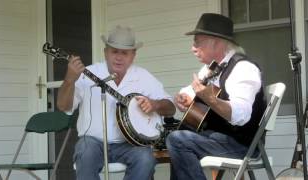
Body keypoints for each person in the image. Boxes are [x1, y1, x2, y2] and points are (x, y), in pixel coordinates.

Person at [57, 25, 176, 180]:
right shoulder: (88, 73)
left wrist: (155, 104)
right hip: (93, 142)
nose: (119, 57)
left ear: (133, 55)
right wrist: (69, 80)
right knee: (85, 151)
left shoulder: (143, 76)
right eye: (114, 51)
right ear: (105, 52)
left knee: (146, 158)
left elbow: (171, 108)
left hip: (130, 144)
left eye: (124, 53)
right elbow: (63, 106)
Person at [166, 13, 267, 180]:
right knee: (179, 134)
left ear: (217, 43)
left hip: (242, 145)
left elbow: (241, 115)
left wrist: (211, 99)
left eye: (197, 42)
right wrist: (182, 97)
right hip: (219, 138)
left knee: (178, 140)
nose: (192, 48)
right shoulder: (210, 69)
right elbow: (192, 92)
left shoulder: (243, 68)